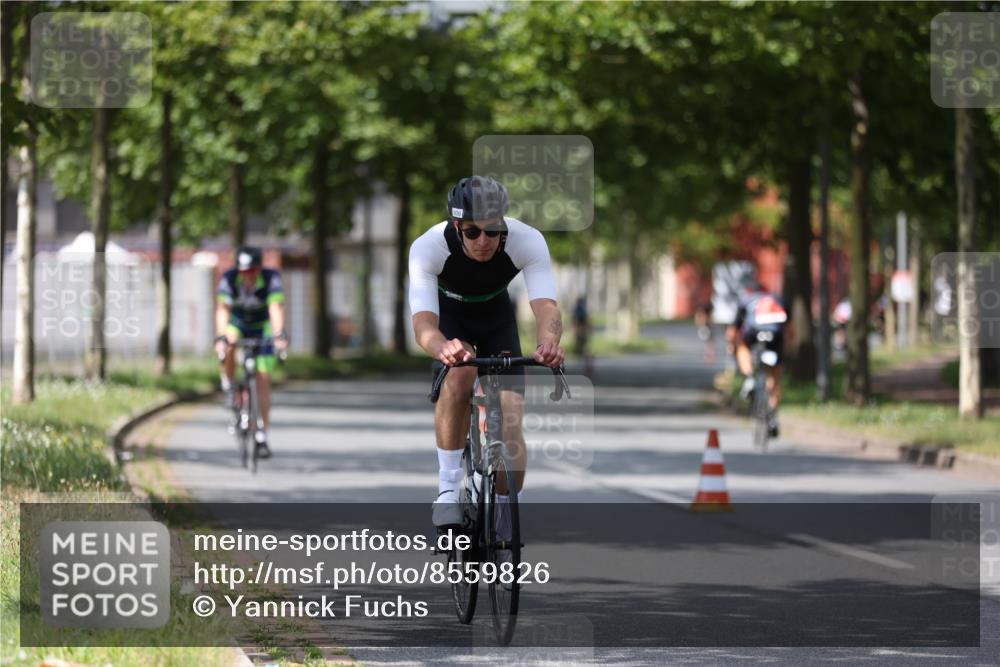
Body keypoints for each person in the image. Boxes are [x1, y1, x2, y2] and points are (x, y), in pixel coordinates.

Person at [408, 175, 564, 528]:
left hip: (495, 317)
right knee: (460, 369)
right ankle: (448, 489)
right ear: (456, 226)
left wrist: (548, 344)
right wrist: (442, 347)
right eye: (472, 232)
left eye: (492, 232)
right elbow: (423, 326)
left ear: (504, 228)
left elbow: (547, 307)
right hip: (449, 318)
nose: (483, 241)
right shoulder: (429, 246)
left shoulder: (528, 240)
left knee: (511, 413)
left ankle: (507, 508)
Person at [214, 246, 288, 458]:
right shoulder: (228, 279)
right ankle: (229, 385)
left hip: (262, 326)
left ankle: (262, 434)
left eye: (252, 271)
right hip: (238, 323)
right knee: (229, 342)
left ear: (259, 269)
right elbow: (223, 309)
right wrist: (221, 336)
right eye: (243, 271)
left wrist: (279, 335)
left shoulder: (271, 278)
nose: (248, 276)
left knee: (263, 378)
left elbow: (276, 308)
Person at [728, 280, 787, 438]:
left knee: (742, 345)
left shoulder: (746, 299)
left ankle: (749, 377)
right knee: (774, 377)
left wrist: (732, 346)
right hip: (776, 335)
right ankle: (773, 415)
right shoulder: (777, 298)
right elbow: (790, 327)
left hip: (753, 332)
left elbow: (734, 330)